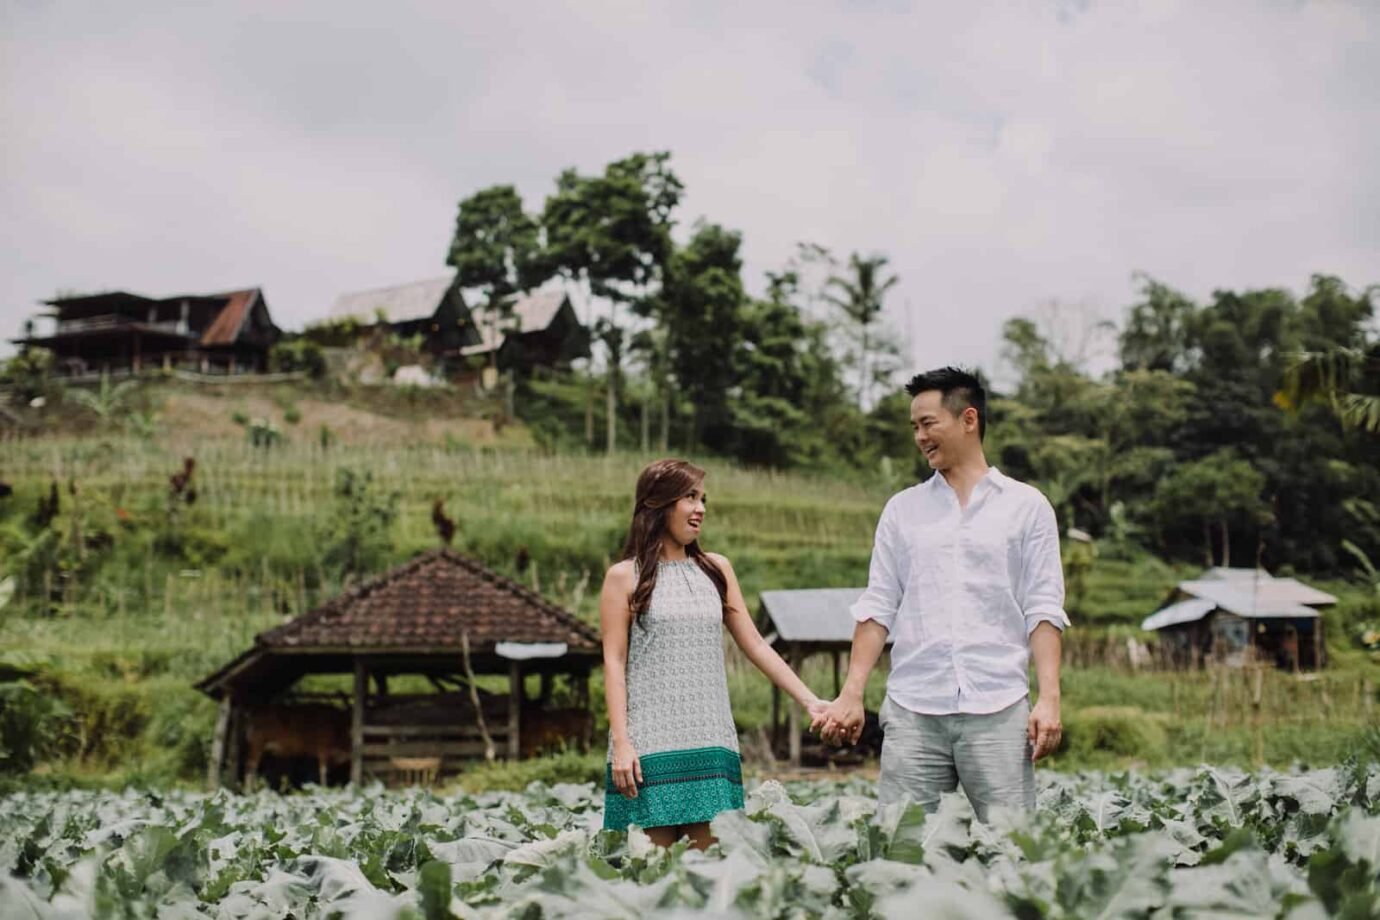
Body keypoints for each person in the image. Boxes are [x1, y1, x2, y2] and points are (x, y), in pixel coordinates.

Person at [819, 367, 1069, 821]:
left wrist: (1049, 697)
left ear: (968, 420)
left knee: (1012, 851)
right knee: (902, 850)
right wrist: (852, 693)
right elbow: (878, 606)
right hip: (914, 710)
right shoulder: (902, 510)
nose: (919, 436)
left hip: (998, 706)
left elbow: (1044, 608)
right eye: (914, 426)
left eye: (928, 423)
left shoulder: (1026, 507)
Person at [601, 458, 828, 848]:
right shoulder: (624, 576)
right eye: (690, 497)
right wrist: (622, 742)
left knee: (710, 873)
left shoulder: (716, 570)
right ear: (658, 504)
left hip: (709, 737)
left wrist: (810, 700)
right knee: (651, 874)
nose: (700, 508)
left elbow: (755, 644)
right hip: (648, 745)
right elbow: (614, 661)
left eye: (703, 498)